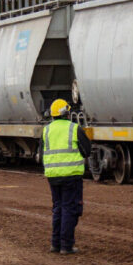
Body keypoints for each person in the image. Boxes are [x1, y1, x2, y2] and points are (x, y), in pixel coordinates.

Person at [41, 98, 91, 255]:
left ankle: (55, 244)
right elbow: (87, 150)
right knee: (70, 209)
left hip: (53, 176)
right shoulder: (74, 128)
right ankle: (66, 246)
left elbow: (42, 151)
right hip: (71, 176)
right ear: (66, 113)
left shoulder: (46, 130)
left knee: (58, 208)